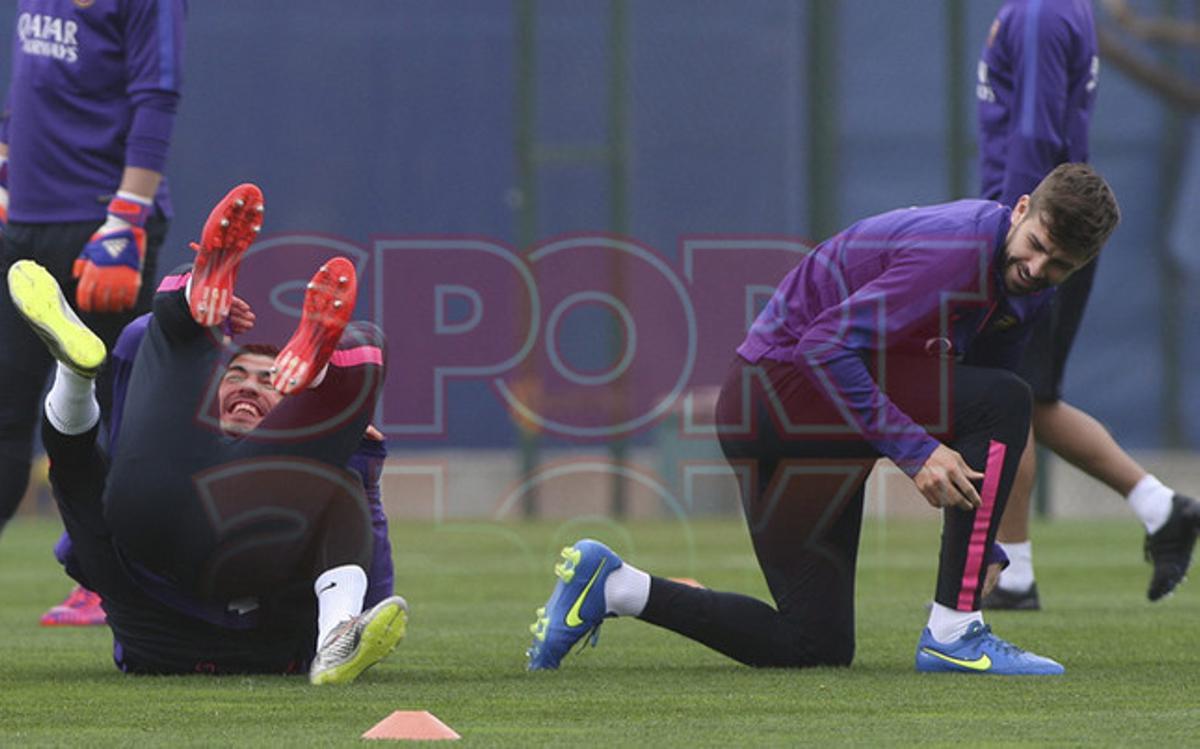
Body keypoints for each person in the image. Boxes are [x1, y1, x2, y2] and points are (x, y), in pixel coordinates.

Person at [527, 163, 1119, 676]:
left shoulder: (1029, 285)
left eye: (1060, 263)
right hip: (778, 397)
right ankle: (956, 632)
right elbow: (823, 348)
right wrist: (916, 452)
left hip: (790, 418)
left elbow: (982, 388)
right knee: (1008, 400)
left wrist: (980, 539)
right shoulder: (956, 249)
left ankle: (616, 586)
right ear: (1020, 209)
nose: (1039, 267)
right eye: (1037, 243)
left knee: (814, 645)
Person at [7, 184, 406, 684]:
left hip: (166, 597)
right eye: (234, 377)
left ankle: (88, 367)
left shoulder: (300, 475)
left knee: (90, 467)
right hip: (266, 619)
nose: (246, 387)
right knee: (363, 362)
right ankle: (335, 638)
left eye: (267, 381)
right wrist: (362, 470)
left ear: (291, 414)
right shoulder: (298, 473)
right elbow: (376, 586)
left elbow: (75, 496)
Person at [976, 0, 1198, 610]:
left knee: (1007, 394)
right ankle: (1162, 507)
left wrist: (1011, 238)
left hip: (1036, 241)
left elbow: (1037, 134)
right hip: (1046, 234)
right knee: (1033, 399)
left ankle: (1015, 573)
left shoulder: (1044, 11)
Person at [0, 0, 188, 620]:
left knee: (103, 414)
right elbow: (35, 83)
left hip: (101, 227)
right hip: (23, 224)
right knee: (5, 413)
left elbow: (157, 95)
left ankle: (108, 577)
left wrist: (128, 217)